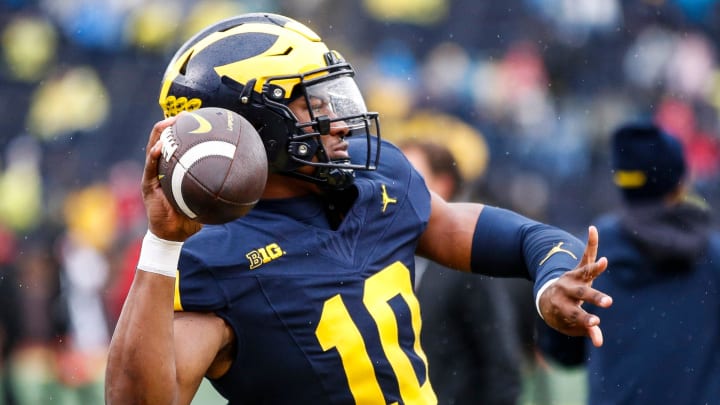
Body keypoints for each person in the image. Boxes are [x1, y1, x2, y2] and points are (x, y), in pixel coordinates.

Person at [105, 12, 612, 405]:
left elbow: (524, 240)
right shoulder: (213, 254)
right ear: (252, 125)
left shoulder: (375, 181)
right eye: (315, 104)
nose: (340, 121)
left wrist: (553, 280)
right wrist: (162, 245)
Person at [538, 122, 720, 405]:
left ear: (622, 181)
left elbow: (561, 351)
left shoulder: (587, 255)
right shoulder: (713, 256)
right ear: (681, 182)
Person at [400, 139, 524, 405]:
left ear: (442, 184)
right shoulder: (381, 254)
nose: (395, 187)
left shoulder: (468, 263)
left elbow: (500, 360)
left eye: (408, 176)